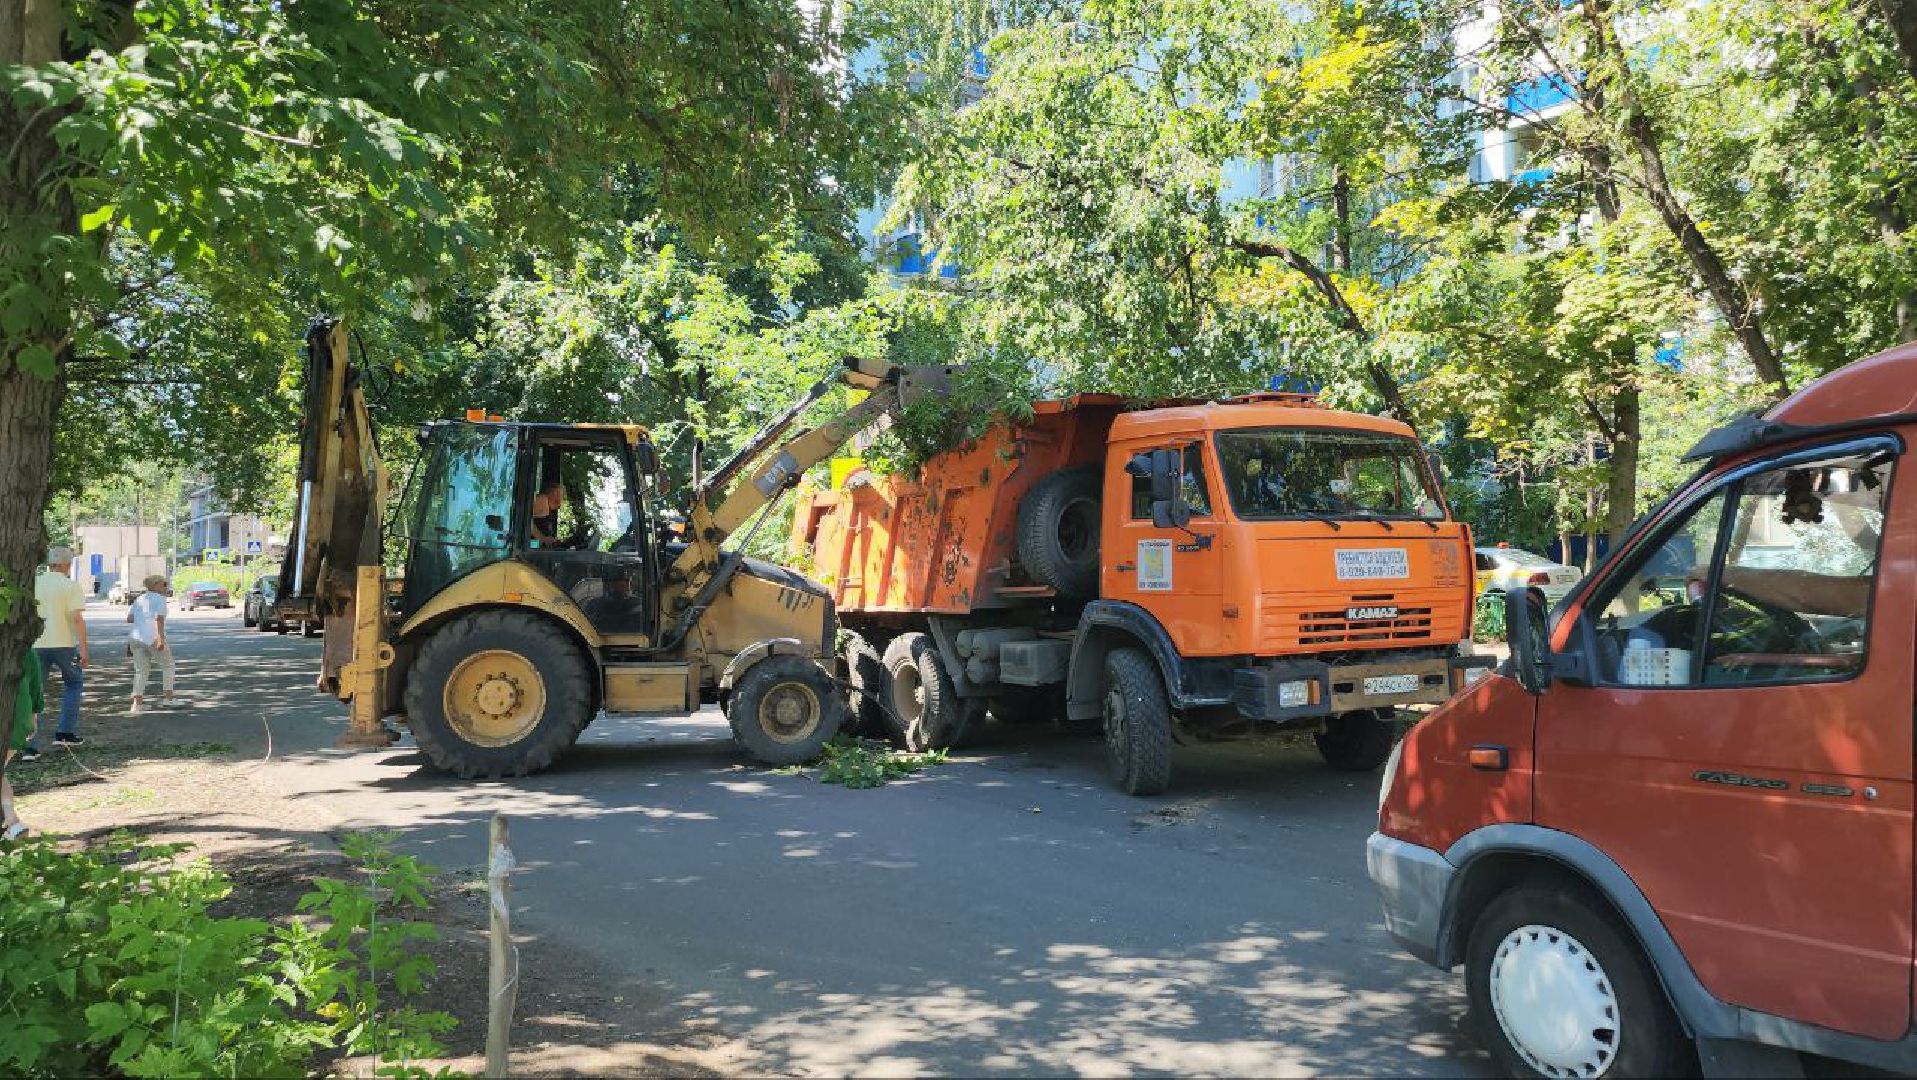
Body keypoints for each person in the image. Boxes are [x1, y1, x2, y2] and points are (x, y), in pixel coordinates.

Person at [28, 547, 87, 752]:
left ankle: (29, 745)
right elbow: (77, 619)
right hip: (65, 644)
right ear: (67, 565)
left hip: (36, 644)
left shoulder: (33, 583)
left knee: (34, 692)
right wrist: (84, 649)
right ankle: (64, 733)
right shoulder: (70, 586)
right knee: (74, 683)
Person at [3, 651, 43, 840]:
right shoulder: (22, 645)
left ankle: (12, 822)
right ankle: (12, 822)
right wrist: (33, 717)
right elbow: (36, 686)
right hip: (19, 719)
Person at [127, 574, 178, 715]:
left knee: (140, 670)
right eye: (164, 584)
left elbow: (129, 618)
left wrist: (142, 619)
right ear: (156, 585)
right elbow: (159, 619)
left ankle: (137, 704)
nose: (166, 587)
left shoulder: (139, 599)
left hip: (136, 638)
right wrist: (161, 639)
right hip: (152, 638)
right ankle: (168, 698)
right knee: (168, 666)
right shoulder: (160, 599)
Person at [530, 479, 567, 546]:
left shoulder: (549, 509)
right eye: (562, 495)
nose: (563, 500)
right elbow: (525, 519)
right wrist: (542, 538)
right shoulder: (543, 501)